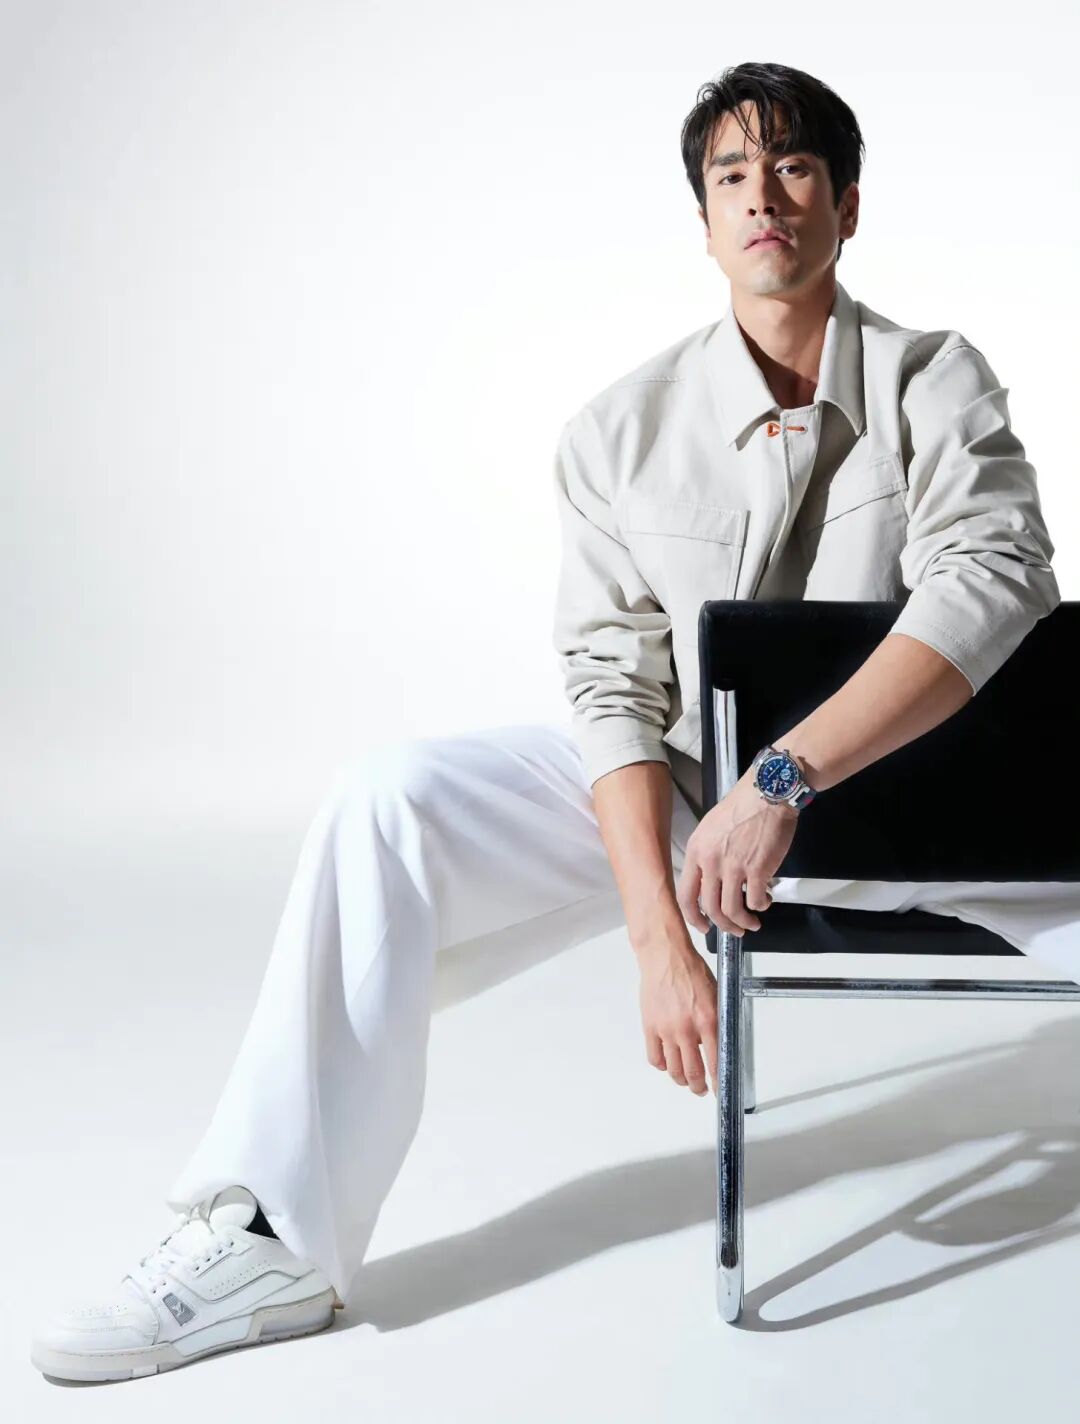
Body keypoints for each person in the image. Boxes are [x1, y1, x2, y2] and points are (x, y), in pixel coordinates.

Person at [31, 60, 1075, 1384]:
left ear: (848, 205)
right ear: (705, 220)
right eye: (733, 175)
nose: (763, 196)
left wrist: (782, 780)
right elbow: (612, 686)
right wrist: (656, 933)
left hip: (932, 808)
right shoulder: (616, 433)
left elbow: (996, 579)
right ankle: (274, 1237)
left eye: (795, 167)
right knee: (391, 803)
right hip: (699, 817)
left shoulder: (939, 378)